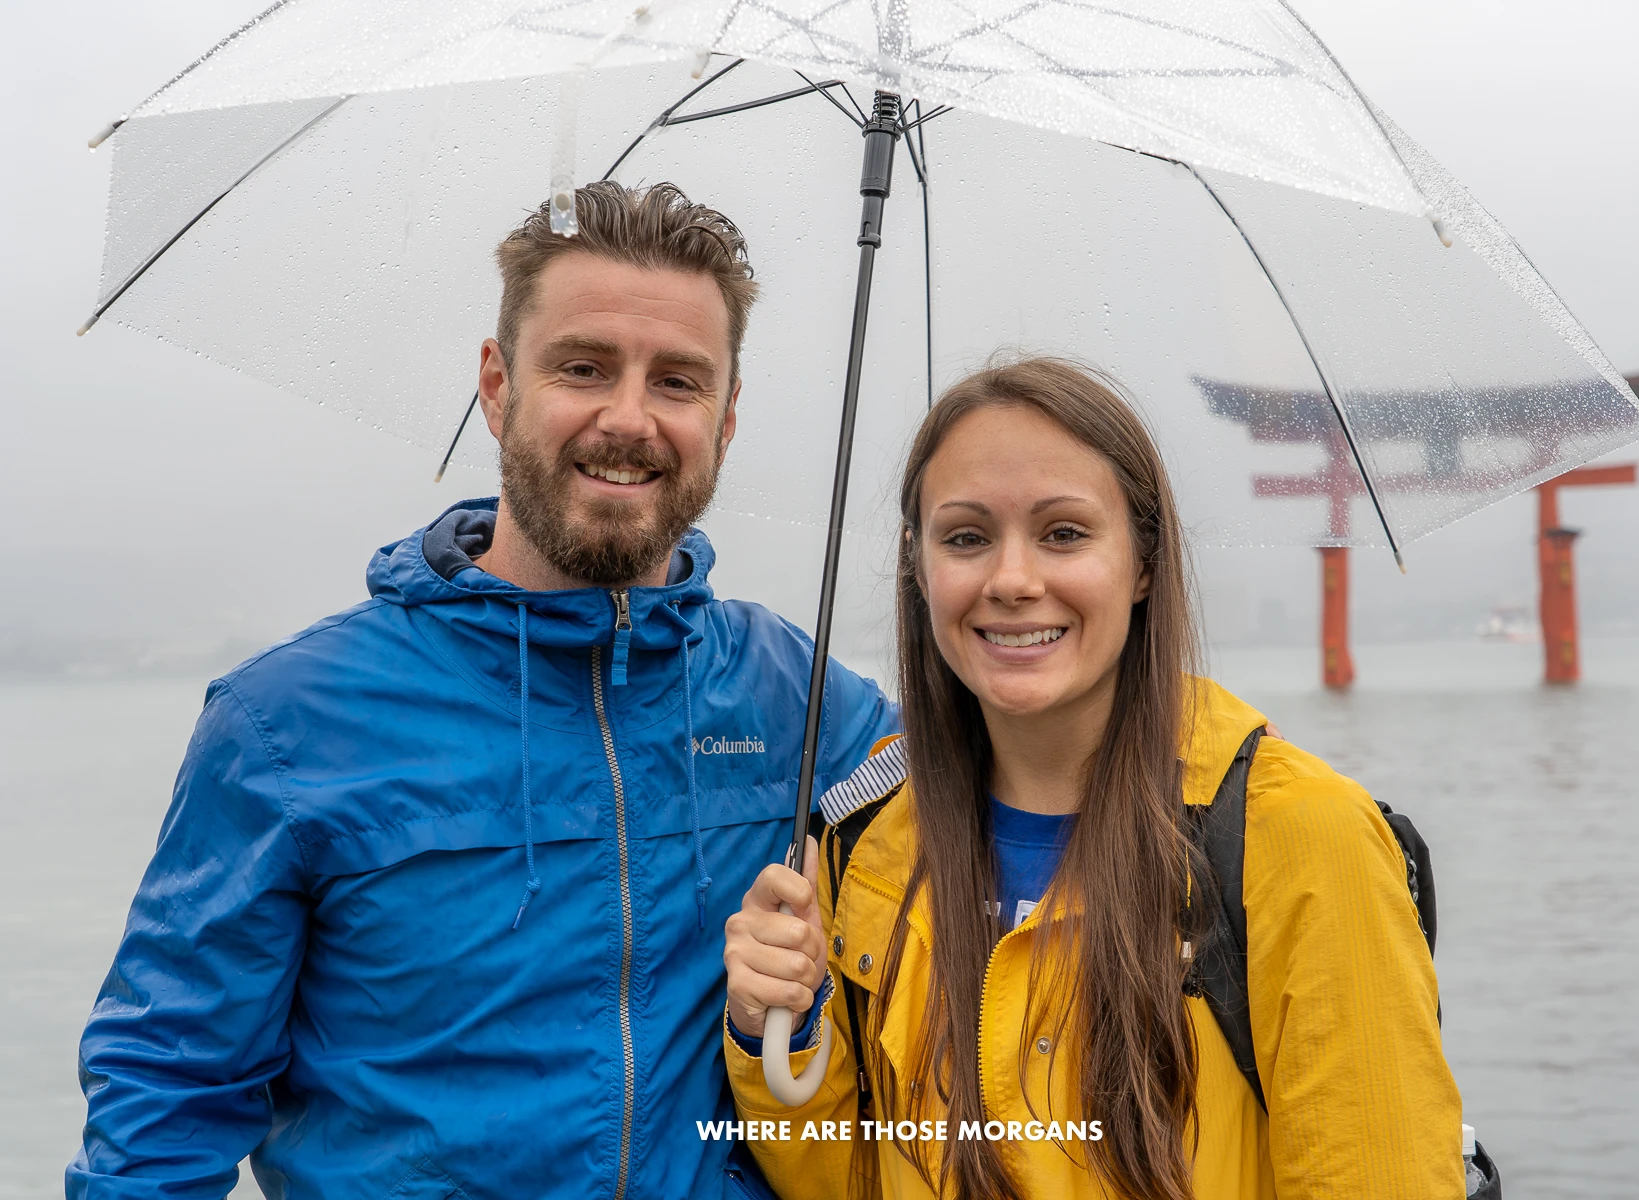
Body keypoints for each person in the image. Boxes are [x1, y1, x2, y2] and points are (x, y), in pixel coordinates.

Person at [67, 182, 896, 1200]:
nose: (629, 419)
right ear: (497, 387)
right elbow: (166, 1105)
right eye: (584, 368)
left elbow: (1025, 788)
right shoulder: (287, 725)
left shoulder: (800, 700)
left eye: (678, 382)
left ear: (725, 423)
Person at [721, 357, 1464, 1198]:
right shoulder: (868, 843)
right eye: (966, 537)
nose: (1012, 580)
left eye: (1064, 533)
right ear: (918, 566)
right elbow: (843, 1181)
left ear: (1144, 562)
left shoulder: (1298, 836)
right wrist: (773, 1027)